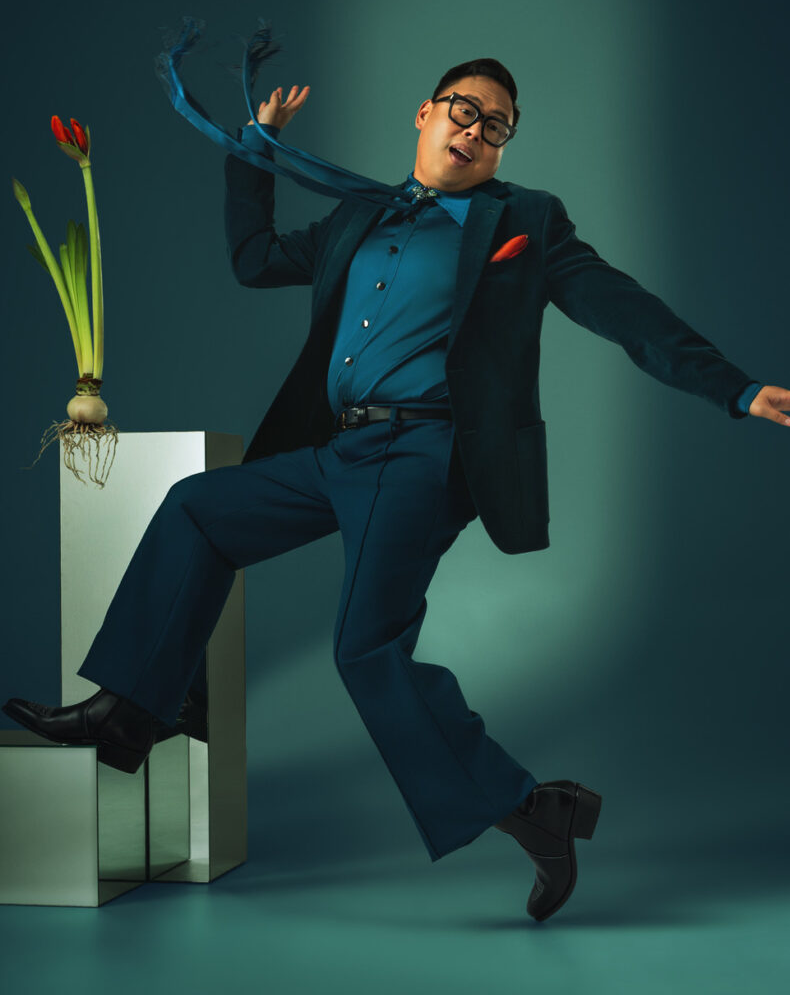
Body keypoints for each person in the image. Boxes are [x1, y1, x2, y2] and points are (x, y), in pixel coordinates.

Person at [5, 59, 790, 924]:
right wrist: (255, 150)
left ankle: (532, 810)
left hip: (422, 454)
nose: (476, 130)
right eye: (464, 110)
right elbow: (254, 260)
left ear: (502, 147)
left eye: (496, 125)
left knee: (364, 649)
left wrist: (735, 387)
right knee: (197, 510)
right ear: (425, 113)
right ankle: (130, 712)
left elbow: (624, 308)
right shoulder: (358, 215)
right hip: (339, 449)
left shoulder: (524, 222)